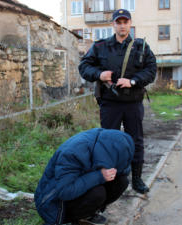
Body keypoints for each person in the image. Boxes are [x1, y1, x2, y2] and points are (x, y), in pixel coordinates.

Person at [78, 9, 157, 195]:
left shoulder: (141, 47)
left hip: (133, 103)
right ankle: (110, 180)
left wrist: (133, 81)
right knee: (108, 142)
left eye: (125, 22)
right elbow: (84, 66)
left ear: (130, 24)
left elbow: (151, 70)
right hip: (110, 103)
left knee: (136, 141)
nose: (122, 25)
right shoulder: (100, 46)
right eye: (118, 22)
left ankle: (137, 179)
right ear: (113, 24)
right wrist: (99, 74)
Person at [35, 128, 135, 225]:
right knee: (98, 193)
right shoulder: (72, 153)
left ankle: (88, 214)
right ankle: (75, 217)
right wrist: (100, 176)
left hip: (75, 191)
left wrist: (116, 171)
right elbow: (64, 191)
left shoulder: (104, 144)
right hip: (54, 204)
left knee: (121, 182)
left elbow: (123, 168)